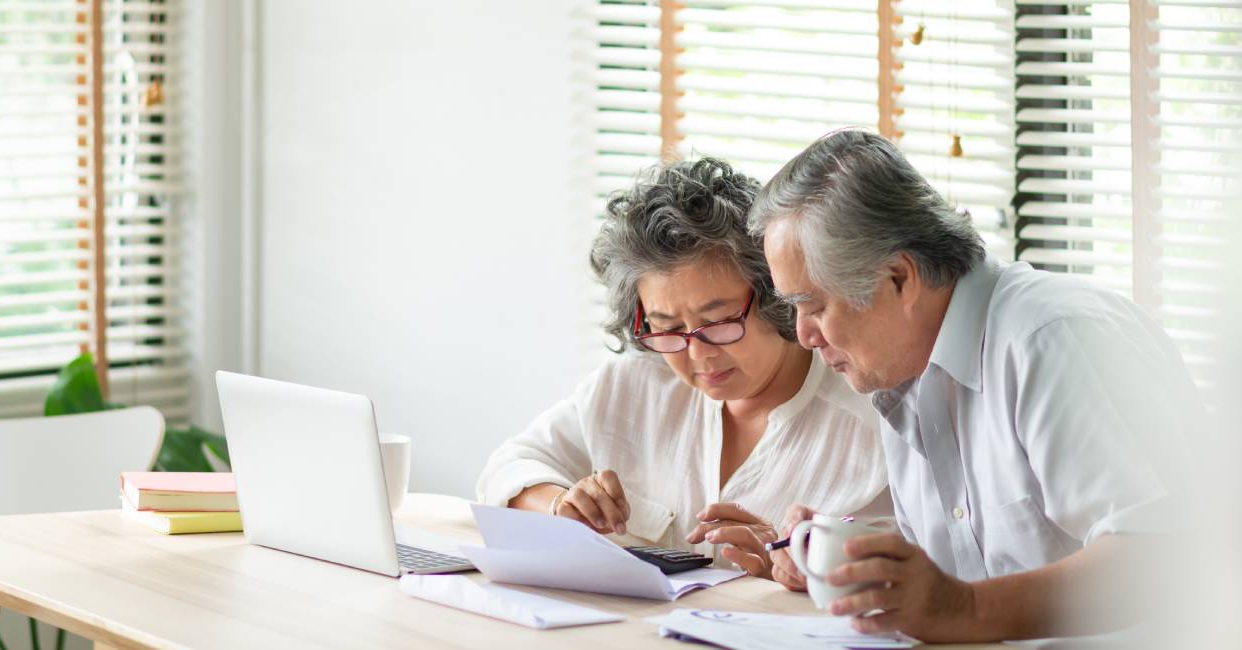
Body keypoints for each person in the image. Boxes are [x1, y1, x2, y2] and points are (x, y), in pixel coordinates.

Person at [745, 129, 1199, 642]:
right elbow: (979, 566)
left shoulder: (1052, 339)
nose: (803, 335)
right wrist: (852, 563)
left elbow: (1159, 557)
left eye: (815, 305)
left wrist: (961, 608)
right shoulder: (902, 372)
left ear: (899, 278)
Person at [476, 157, 889, 577]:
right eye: (668, 327)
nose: (697, 354)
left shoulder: (873, 422)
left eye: (719, 322)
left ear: (773, 295)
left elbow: (907, 578)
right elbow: (509, 465)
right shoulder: (634, 384)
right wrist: (559, 505)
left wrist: (801, 565)